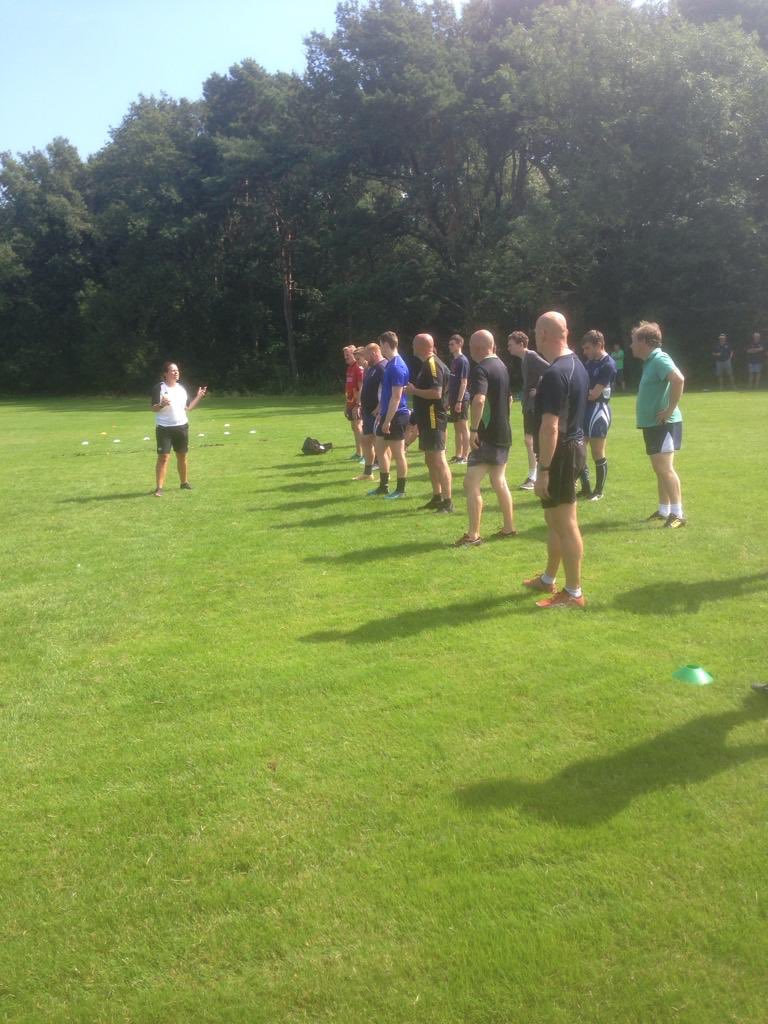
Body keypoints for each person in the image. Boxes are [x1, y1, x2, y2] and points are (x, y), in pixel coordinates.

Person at [523, 312, 589, 608]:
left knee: (565, 522)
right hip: (570, 447)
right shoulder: (576, 365)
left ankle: (573, 592)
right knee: (553, 520)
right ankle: (549, 579)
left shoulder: (554, 374)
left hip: (560, 453)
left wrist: (544, 470)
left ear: (545, 334)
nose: (535, 336)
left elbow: (550, 426)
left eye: (537, 331)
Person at [453, 330, 516, 546]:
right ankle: (509, 528)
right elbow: (509, 399)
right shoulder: (502, 366)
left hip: (486, 435)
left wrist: (474, 429)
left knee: (470, 482)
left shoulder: (481, 369)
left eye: (471, 347)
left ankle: (473, 535)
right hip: (503, 432)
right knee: (499, 480)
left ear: (477, 348)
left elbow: (479, 400)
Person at [630, 321, 686, 528]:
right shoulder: (650, 362)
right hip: (653, 425)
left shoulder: (660, 358)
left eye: (634, 341)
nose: (631, 346)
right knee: (659, 469)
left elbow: (678, 379)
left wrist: (670, 409)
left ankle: (678, 514)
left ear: (644, 341)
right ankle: (664, 510)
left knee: (665, 468)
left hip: (664, 424)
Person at [405, 334, 453, 512]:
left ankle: (448, 501)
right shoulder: (428, 364)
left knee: (439, 459)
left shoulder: (433, 364)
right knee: (429, 458)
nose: (412, 347)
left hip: (434, 419)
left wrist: (414, 390)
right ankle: (437, 496)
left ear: (421, 346)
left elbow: (436, 393)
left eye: (414, 344)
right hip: (426, 420)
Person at [151, 362, 207, 497]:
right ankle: (159, 488)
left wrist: (199, 396)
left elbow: (188, 408)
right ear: (165, 374)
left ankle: (184, 483)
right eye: (173, 370)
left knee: (182, 456)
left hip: (181, 426)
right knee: (163, 457)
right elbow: (153, 408)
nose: (176, 372)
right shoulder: (159, 388)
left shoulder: (182, 389)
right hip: (164, 428)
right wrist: (161, 404)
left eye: (177, 370)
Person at [368, 331, 410, 499]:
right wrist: (381, 413)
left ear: (386, 344)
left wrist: (388, 420)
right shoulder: (390, 364)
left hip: (397, 416)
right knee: (379, 449)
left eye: (381, 345)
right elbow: (387, 395)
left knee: (398, 453)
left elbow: (397, 397)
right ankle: (383, 486)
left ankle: (400, 490)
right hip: (386, 415)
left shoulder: (397, 366)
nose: (381, 349)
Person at [506, 330, 549, 490]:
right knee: (529, 441)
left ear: (521, 344)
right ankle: (534, 475)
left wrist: (538, 390)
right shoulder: (524, 359)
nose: (508, 347)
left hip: (534, 406)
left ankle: (535, 477)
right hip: (528, 406)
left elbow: (551, 371)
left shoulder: (531, 356)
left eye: (510, 344)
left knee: (533, 441)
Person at [578, 330, 617, 501]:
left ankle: (598, 491)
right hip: (585, 409)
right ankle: (585, 487)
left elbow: (594, 394)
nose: (585, 352)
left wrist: (578, 393)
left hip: (598, 411)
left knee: (597, 451)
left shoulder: (608, 364)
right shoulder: (589, 362)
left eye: (587, 348)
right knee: (579, 450)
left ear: (599, 345)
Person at [356, 342, 387, 481]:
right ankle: (368, 473)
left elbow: (388, 390)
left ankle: (385, 474)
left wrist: (380, 407)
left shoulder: (383, 367)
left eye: (367, 355)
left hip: (376, 412)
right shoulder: (372, 368)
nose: (366, 359)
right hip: (367, 411)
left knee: (381, 445)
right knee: (365, 439)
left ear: (374, 353)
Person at [447, 334, 470, 463]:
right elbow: (451, 382)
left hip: (461, 399)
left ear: (459, 344)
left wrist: (459, 401)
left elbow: (464, 382)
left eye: (452, 344)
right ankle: (458, 454)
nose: (450, 347)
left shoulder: (463, 360)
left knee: (463, 426)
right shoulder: (454, 360)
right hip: (453, 398)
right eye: (450, 344)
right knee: (456, 427)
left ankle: (465, 456)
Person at [343, 345, 364, 460]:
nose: (346, 357)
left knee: (358, 426)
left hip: (357, 403)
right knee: (354, 427)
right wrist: (346, 405)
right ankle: (358, 453)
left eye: (348, 355)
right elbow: (349, 388)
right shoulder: (349, 368)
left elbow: (361, 387)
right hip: (351, 403)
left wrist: (358, 404)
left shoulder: (358, 368)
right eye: (344, 355)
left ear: (354, 354)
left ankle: (365, 454)